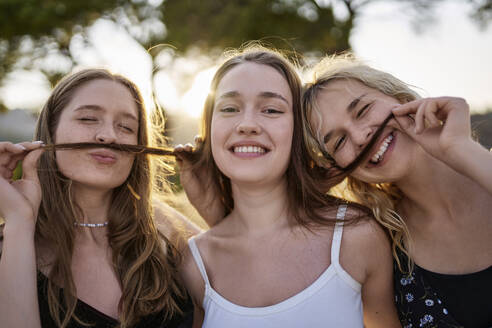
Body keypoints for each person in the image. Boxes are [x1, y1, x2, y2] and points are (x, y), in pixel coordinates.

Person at [178, 46, 401, 327]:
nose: (247, 125)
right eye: (229, 108)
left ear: (299, 133)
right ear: (209, 131)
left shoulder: (355, 235)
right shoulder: (195, 264)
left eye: (271, 109)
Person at [302, 54, 492, 327]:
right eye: (339, 141)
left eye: (363, 110)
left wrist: (459, 149)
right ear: (340, 168)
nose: (359, 137)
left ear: (400, 98)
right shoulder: (381, 247)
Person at [0, 68, 199, 328]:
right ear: (51, 131)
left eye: (126, 126)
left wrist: (211, 209)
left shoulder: (170, 240)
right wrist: (20, 221)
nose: (109, 135)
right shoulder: (11, 244)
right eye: (88, 119)